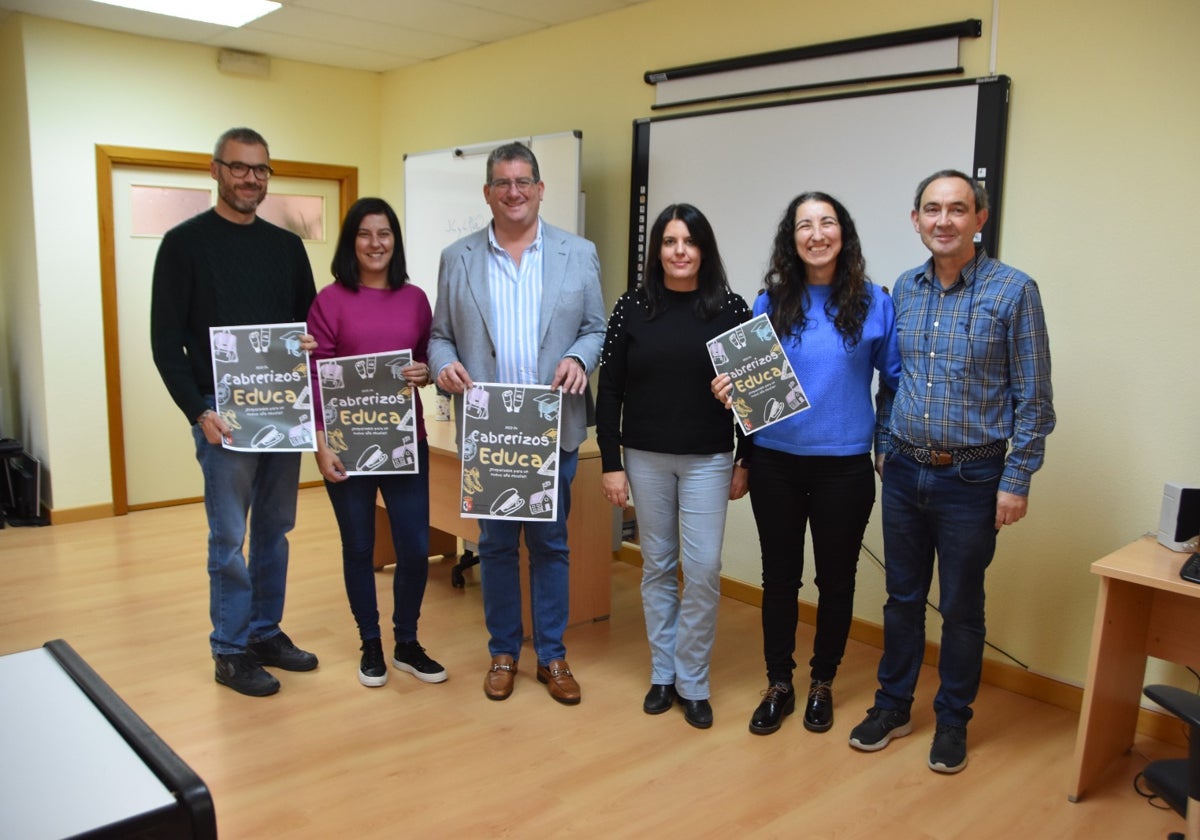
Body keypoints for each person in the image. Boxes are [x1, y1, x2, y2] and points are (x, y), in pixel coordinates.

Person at [848, 170, 1054, 773]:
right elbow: (892, 381)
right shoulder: (901, 290)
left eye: (957, 209)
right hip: (905, 473)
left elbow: (1034, 399)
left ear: (979, 219)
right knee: (901, 598)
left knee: (962, 606)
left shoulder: (1013, 291)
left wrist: (1017, 480)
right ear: (916, 220)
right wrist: (885, 446)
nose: (944, 221)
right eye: (932, 210)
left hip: (974, 479)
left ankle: (953, 721)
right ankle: (892, 706)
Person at [714, 192, 900, 736]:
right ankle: (779, 683)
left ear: (844, 233)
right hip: (776, 463)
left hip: (844, 467)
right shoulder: (769, 303)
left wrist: (884, 447)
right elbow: (750, 396)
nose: (816, 234)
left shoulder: (874, 303)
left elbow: (893, 385)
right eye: (804, 225)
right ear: (791, 238)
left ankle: (822, 683)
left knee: (837, 582)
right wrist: (730, 396)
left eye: (827, 223)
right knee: (779, 580)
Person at [428, 142, 606, 705]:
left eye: (523, 181)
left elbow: (597, 327)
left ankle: (551, 656)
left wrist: (579, 358)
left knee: (552, 544)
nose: (514, 192)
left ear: (540, 188)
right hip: (492, 432)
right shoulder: (457, 257)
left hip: (553, 427)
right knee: (497, 545)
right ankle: (503, 652)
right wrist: (442, 366)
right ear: (487, 192)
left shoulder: (579, 253)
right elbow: (438, 337)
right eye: (502, 183)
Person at [150, 127, 319, 697]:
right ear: (216, 170)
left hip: (281, 415)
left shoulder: (286, 248)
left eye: (261, 169)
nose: (251, 178)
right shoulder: (183, 244)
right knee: (228, 539)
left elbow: (307, 329)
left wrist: (311, 349)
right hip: (222, 421)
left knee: (276, 530)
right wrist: (198, 411)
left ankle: (265, 632)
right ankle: (229, 648)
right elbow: (164, 340)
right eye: (240, 167)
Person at [599, 204, 750, 730]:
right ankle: (664, 673)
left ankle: (694, 679)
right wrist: (612, 462)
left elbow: (755, 390)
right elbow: (610, 389)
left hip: (710, 457)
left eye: (689, 241)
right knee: (659, 566)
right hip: (645, 456)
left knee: (704, 570)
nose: (679, 251)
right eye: (669, 241)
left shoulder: (731, 308)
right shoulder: (632, 308)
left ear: (704, 249)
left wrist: (745, 460)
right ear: (657, 250)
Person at [308, 197, 446, 689]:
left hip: (406, 444)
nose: (375, 243)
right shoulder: (329, 300)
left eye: (384, 233)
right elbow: (315, 378)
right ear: (352, 242)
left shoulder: (415, 299)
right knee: (360, 546)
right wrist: (320, 446)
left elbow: (429, 362)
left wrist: (425, 373)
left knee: (413, 547)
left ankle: (406, 641)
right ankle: (371, 643)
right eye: (365, 234)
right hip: (346, 446)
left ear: (395, 240)